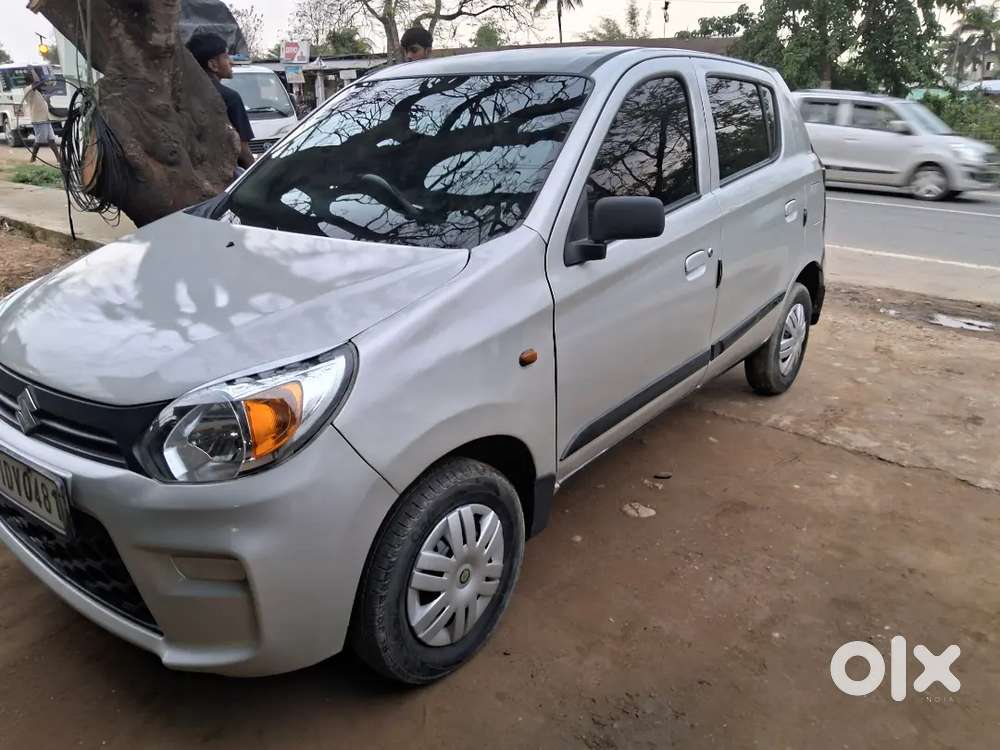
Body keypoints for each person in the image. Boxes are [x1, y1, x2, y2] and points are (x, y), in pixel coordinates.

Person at [186, 32, 255, 169]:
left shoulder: (184, 94)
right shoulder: (229, 98)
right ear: (213, 65)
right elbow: (242, 150)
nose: (231, 62)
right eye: (225, 56)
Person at [25, 69, 60, 166]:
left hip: (45, 118)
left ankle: (59, 159)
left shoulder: (37, 91)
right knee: (40, 141)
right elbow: (37, 82)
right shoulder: (28, 89)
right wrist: (32, 69)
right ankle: (32, 159)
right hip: (39, 119)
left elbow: (38, 83)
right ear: (29, 80)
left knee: (51, 139)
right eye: (32, 78)